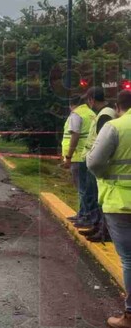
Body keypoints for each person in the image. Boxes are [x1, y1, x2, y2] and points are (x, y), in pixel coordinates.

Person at [87, 90, 131, 327]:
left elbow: (94, 162)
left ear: (118, 106)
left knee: (129, 259)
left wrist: (104, 176)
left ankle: (130, 316)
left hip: (121, 202)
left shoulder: (115, 126)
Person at [80, 86, 117, 242]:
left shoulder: (105, 115)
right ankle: (97, 226)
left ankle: (102, 230)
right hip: (95, 161)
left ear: (92, 100)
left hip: (98, 164)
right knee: (94, 196)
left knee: (96, 196)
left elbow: (104, 143)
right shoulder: (105, 113)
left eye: (88, 100)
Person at [62, 95, 96, 228]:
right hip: (88, 155)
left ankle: (85, 216)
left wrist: (69, 156)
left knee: (82, 188)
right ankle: (82, 214)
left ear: (72, 105)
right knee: (87, 188)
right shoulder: (91, 113)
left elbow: (74, 135)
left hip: (78, 156)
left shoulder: (76, 114)